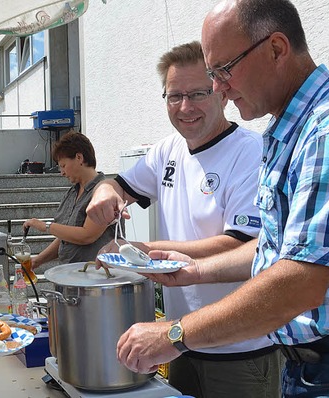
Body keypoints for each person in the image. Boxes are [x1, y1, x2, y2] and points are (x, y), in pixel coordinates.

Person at [94, 1, 329, 397]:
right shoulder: (290, 131)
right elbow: (276, 251)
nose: (219, 87)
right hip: (310, 363)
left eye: (222, 70)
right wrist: (196, 270)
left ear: (275, 48)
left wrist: (174, 333)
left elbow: (299, 283)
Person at [87, 41, 280, 397]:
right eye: (174, 96)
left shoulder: (249, 153)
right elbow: (120, 184)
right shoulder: (167, 151)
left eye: (197, 94)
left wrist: (141, 249)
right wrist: (105, 192)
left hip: (241, 349)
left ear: (221, 93)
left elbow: (239, 244)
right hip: (182, 341)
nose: (185, 107)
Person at [23, 131, 117, 271]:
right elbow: (65, 236)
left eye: (63, 165)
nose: (62, 172)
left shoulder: (103, 192)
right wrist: (37, 261)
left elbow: (87, 235)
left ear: (79, 158)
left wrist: (45, 226)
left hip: (97, 279)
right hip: (71, 275)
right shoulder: (72, 193)